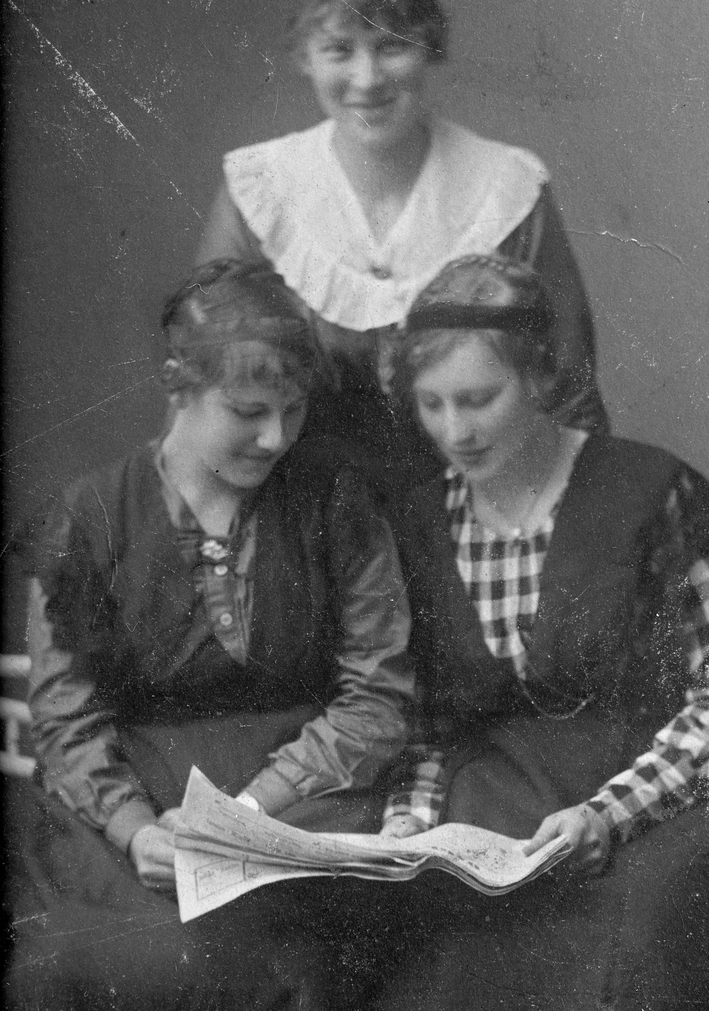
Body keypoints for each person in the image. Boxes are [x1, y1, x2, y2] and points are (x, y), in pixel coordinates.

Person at [374, 255, 709, 1011]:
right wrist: (411, 826)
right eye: (432, 404)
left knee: (638, 948)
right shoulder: (419, 522)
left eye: (478, 399)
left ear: (539, 377)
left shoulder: (653, 491)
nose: (454, 431)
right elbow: (427, 727)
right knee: (439, 957)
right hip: (514, 821)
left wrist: (608, 815)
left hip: (681, 811)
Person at [6, 259, 415, 1011]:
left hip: (299, 808)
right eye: (248, 410)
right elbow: (66, 720)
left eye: (294, 410)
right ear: (177, 386)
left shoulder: (338, 503)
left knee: (322, 951)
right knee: (135, 961)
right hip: (133, 821)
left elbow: (377, 696)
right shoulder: (86, 519)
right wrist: (136, 831)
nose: (275, 437)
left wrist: (246, 817)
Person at [197, 0, 604, 501]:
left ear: (429, 43)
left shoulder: (507, 190)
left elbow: (571, 399)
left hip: (486, 526)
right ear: (305, 55)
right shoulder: (259, 192)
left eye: (392, 45)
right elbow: (207, 398)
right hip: (301, 530)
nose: (367, 80)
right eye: (339, 49)